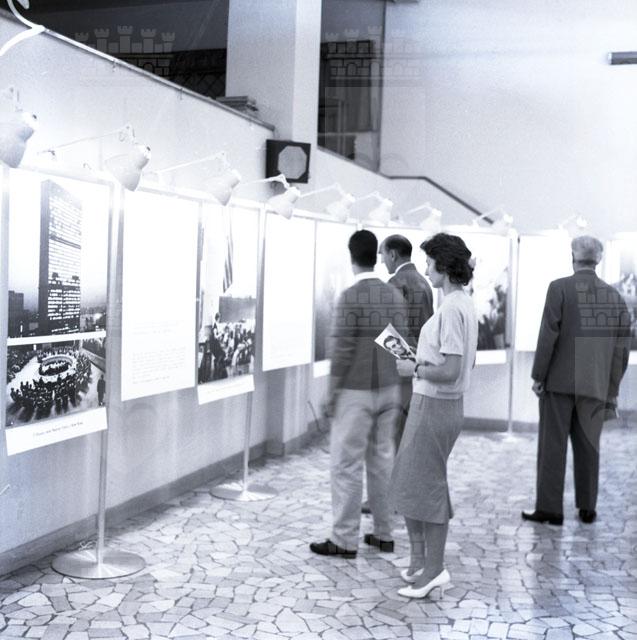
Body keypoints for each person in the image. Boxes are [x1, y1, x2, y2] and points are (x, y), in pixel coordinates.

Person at [389, 232, 478, 599]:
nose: (426, 269)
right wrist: (421, 359)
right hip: (438, 404)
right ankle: (421, 562)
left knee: (427, 487)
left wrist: (415, 368)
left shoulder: (453, 309)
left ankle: (434, 569)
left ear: (443, 265)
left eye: (429, 263)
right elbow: (455, 362)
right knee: (413, 482)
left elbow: (451, 370)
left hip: (435, 405)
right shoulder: (461, 304)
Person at [310, 230, 408, 558]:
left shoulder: (350, 297)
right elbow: (399, 343)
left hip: (356, 391)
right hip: (389, 388)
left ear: (351, 256)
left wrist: (331, 393)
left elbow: (342, 349)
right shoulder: (393, 295)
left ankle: (344, 538)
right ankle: (383, 533)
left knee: (346, 465)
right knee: (381, 462)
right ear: (376, 256)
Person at [522, 235, 630, 526]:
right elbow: (621, 351)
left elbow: (548, 336)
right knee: (589, 447)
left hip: (558, 383)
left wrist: (538, 375)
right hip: (595, 386)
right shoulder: (616, 297)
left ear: (572, 256)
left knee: (552, 447)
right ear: (599, 259)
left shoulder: (559, 288)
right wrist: (611, 388)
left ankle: (550, 509)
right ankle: (587, 507)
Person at [379, 234, 434, 447]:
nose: (382, 261)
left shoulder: (395, 283)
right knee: (414, 432)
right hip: (422, 365)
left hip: (401, 368)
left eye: (383, 254)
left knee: (397, 434)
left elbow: (389, 331)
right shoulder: (425, 282)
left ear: (393, 254)